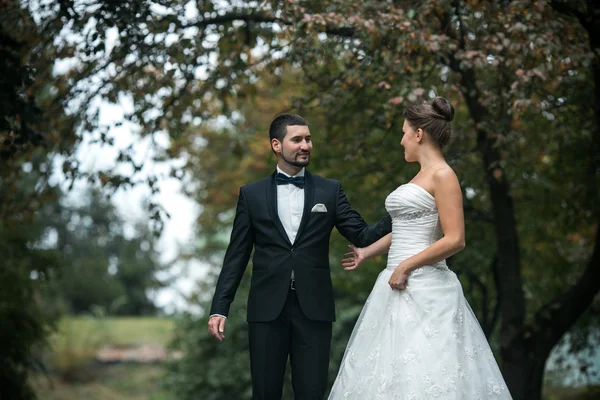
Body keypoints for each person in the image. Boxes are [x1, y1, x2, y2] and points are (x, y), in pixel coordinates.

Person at [328, 97, 513, 399]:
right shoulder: (417, 177)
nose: (401, 140)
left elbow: (455, 239)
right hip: (393, 286)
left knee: (429, 370)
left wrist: (405, 266)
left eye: (404, 132)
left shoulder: (444, 175)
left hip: (427, 289)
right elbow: (405, 229)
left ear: (419, 134)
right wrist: (367, 252)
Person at [208, 114, 391, 400]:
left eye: (308, 139)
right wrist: (220, 307)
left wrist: (400, 210)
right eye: (297, 139)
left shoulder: (330, 191)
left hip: (314, 309)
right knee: (265, 393)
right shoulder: (251, 195)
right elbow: (236, 255)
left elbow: (362, 235)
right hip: (266, 310)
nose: (305, 145)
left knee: (311, 393)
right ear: (276, 145)